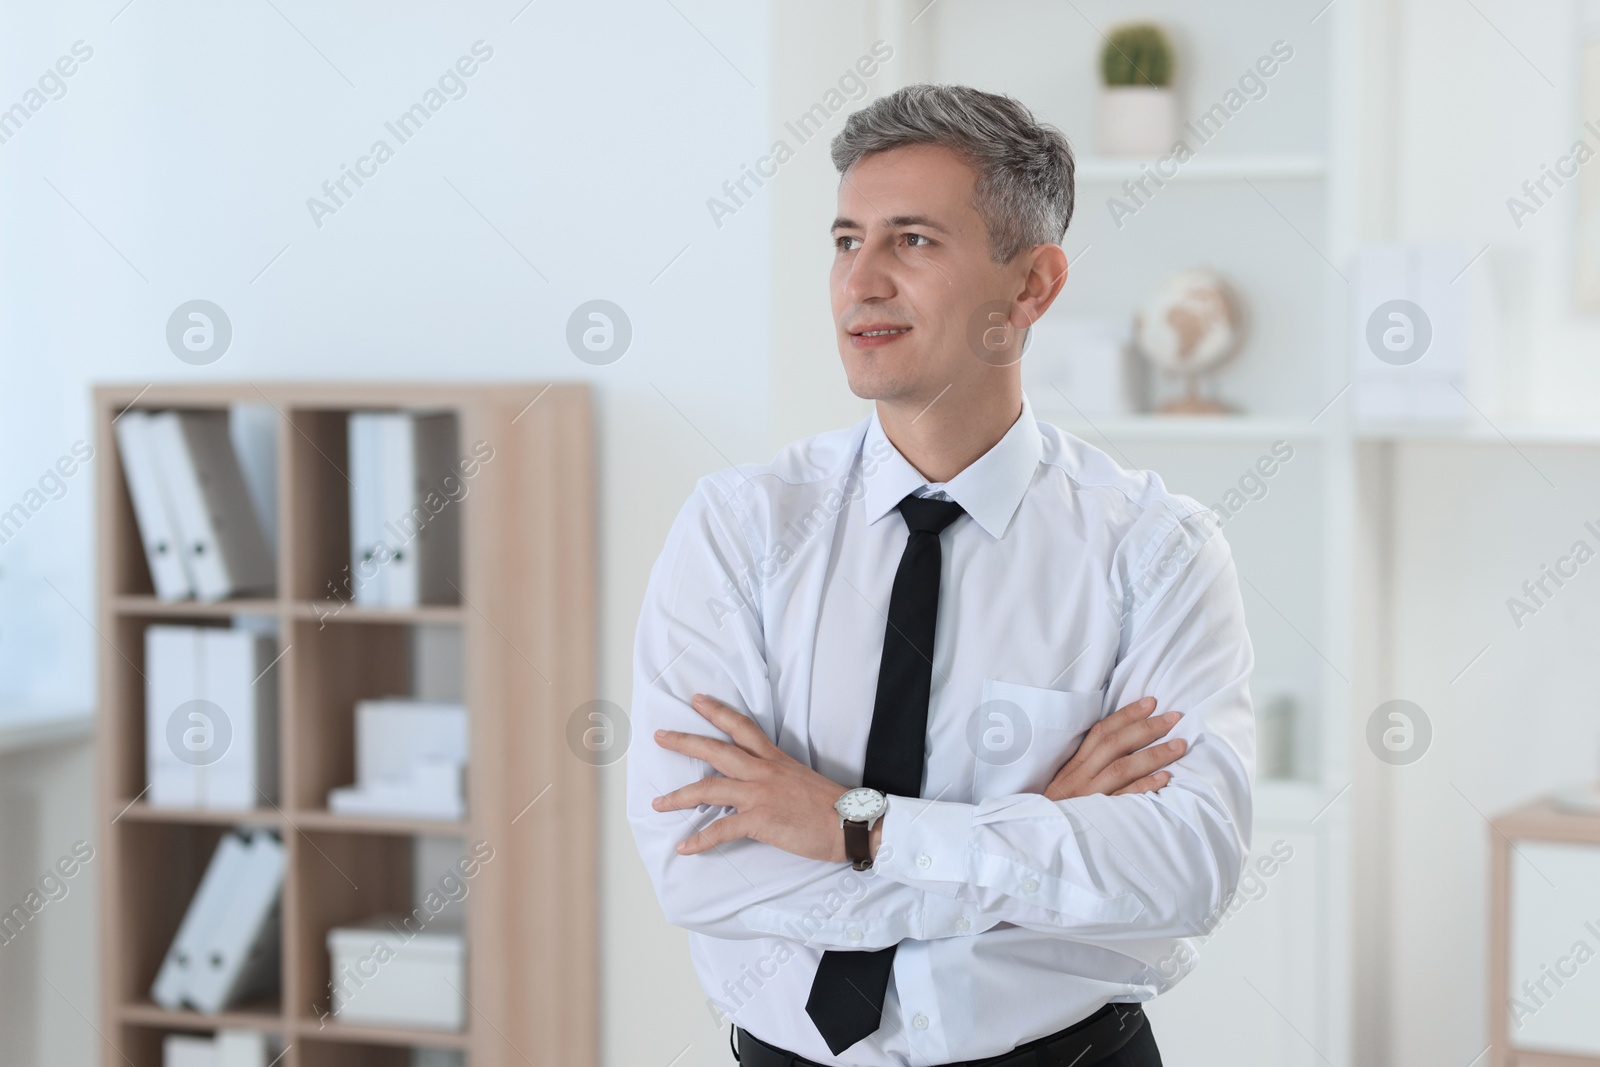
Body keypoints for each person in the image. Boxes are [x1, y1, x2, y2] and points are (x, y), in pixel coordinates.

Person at [627, 83, 1255, 1067]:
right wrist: (1040, 828)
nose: (860, 281)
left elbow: (1184, 869)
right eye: (845, 240)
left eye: (912, 240)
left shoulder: (1154, 548)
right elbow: (699, 869)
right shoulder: (739, 527)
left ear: (1032, 286)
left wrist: (848, 826)